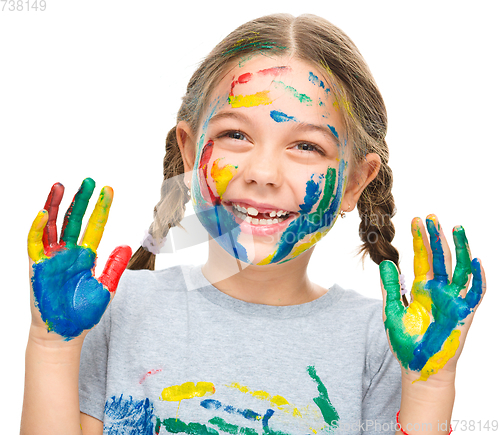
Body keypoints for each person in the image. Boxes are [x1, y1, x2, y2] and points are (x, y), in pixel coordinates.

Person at [21, 13, 486, 435]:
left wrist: (430, 386)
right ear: (189, 151)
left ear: (354, 183)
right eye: (235, 135)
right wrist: (52, 347)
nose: (262, 172)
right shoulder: (116, 310)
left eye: (306, 146)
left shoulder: (382, 343)